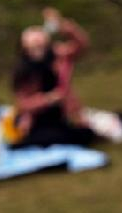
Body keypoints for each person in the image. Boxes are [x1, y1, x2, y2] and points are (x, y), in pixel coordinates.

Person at [10, 8, 95, 147]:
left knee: (85, 134)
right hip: (37, 120)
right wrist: (47, 99)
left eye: (40, 46)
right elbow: (23, 104)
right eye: (33, 48)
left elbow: (82, 44)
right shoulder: (22, 72)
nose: (37, 51)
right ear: (24, 49)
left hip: (64, 115)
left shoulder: (59, 55)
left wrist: (62, 25)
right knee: (44, 138)